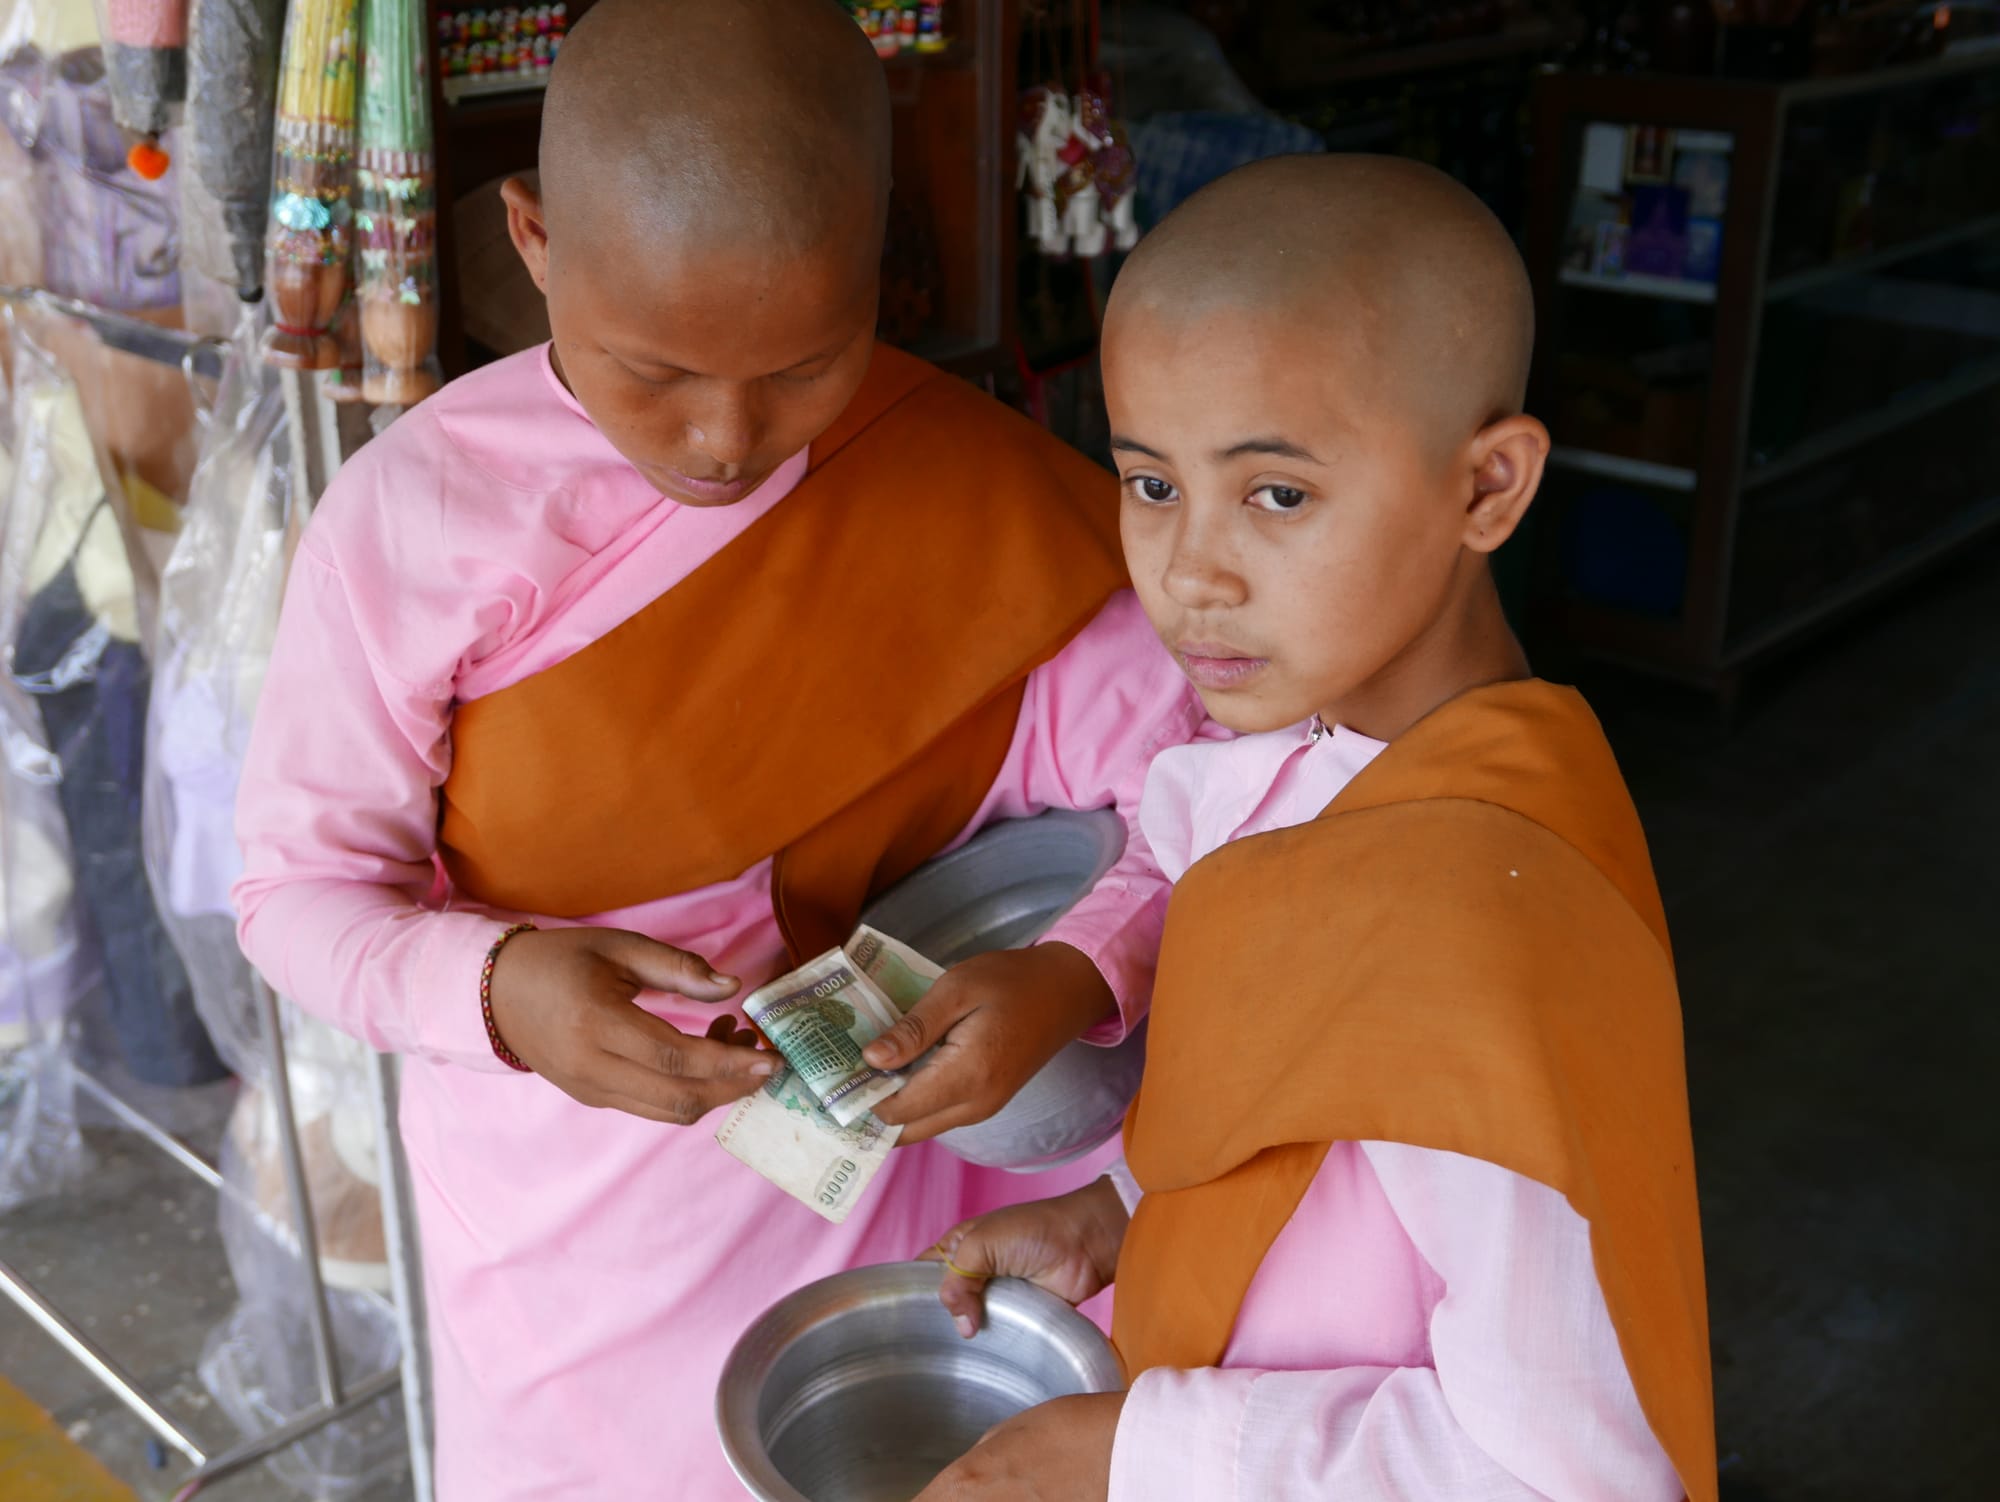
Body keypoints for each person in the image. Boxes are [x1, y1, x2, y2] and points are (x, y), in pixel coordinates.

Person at [231, 1, 1201, 1494]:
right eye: (656, 372)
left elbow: (1204, 801)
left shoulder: (962, 489)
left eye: (807, 364)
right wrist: (495, 984)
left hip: (917, 1212)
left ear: (876, 258)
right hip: (560, 1243)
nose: (724, 442)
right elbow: (296, 893)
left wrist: (1079, 965)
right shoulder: (411, 526)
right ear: (536, 239)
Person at [914, 155, 1715, 1502]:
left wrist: (1137, 1449)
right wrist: (1119, 1218)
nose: (1189, 574)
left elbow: (1570, 1477)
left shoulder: (1478, 922)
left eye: (1275, 493)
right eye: (1152, 484)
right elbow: (1300, 1142)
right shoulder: (1293, 759)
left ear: (1488, 489)